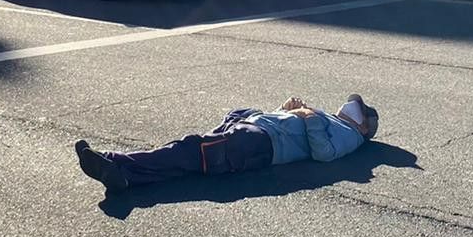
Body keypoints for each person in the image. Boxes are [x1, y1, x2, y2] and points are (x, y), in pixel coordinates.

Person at [74, 95, 379, 194]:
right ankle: (125, 176)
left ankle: (115, 163)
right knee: (190, 157)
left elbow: (323, 153)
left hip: (260, 143)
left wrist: (307, 114)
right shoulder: (341, 124)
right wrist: (287, 110)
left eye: (358, 109)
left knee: (190, 150)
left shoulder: (350, 137)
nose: (349, 107)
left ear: (365, 126)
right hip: (255, 131)